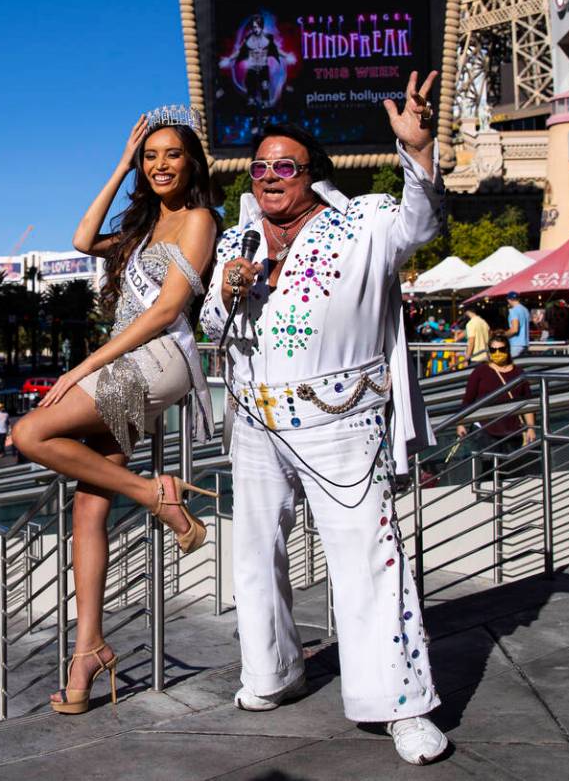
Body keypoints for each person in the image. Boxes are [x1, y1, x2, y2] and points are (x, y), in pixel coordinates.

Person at [199, 71, 449, 765]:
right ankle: (272, 672)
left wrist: (417, 153)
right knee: (252, 555)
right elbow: (210, 325)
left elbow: (421, 225)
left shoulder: (362, 222)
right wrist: (222, 293)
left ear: (312, 175)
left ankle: (401, 704)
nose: (270, 176)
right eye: (259, 167)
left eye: (285, 166)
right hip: (254, 422)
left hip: (342, 420)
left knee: (368, 561)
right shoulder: (235, 244)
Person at [11, 111, 218, 717]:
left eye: (171, 154)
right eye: (149, 156)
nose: (160, 164)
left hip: (157, 359)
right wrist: (118, 167)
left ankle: (157, 496)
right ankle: (89, 651)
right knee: (86, 508)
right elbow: (81, 240)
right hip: (123, 363)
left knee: (30, 431)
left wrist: (78, 370)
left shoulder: (199, 221)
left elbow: (163, 313)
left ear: (191, 163)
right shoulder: (144, 228)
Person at [456, 336, 537, 453]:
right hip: (485, 428)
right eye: (493, 350)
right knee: (488, 466)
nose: (497, 353)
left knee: (509, 468)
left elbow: (527, 403)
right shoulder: (480, 371)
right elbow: (468, 399)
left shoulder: (519, 373)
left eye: (501, 349)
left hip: (512, 430)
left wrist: (530, 428)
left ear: (508, 350)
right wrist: (461, 423)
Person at [505, 291, 530, 357]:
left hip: (515, 344)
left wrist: (503, 335)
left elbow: (514, 329)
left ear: (509, 300)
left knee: (510, 366)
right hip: (525, 344)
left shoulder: (513, 310)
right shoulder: (525, 310)